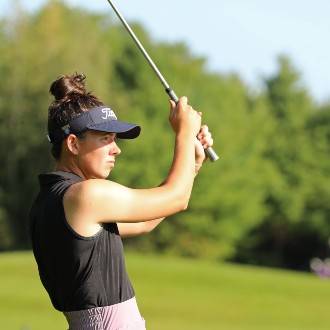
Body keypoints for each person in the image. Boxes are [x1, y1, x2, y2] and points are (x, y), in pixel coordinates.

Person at [29, 72, 214, 330]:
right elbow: (177, 198)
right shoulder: (85, 195)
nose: (116, 149)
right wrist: (184, 134)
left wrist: (192, 164)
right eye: (105, 139)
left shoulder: (53, 198)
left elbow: (146, 221)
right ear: (73, 143)